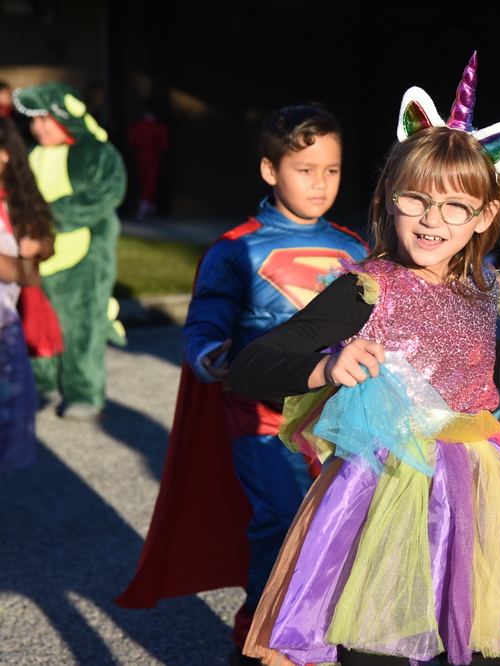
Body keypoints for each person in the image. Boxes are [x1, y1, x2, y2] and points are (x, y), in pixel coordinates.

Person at [227, 53, 500, 666]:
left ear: (484, 215)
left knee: (478, 634)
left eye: (454, 207)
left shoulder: (483, 288)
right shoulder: (369, 287)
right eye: (415, 200)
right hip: (390, 486)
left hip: (478, 484)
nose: (432, 219)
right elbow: (254, 362)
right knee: (377, 635)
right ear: (389, 198)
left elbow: (480, 369)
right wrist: (325, 368)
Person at [114, 104, 370, 666]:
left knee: (343, 529)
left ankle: (322, 637)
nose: (320, 182)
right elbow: (205, 320)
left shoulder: (357, 249)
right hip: (259, 415)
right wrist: (208, 354)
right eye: (305, 169)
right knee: (281, 523)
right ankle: (257, 640)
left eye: (331, 169)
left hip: (338, 417)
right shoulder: (236, 248)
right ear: (269, 170)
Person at [13, 82, 127, 421]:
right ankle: (43, 382)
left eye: (46, 119)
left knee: (81, 326)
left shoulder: (97, 152)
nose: (38, 127)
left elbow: (104, 194)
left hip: (82, 255)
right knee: (36, 320)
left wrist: (44, 218)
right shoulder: (33, 153)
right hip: (36, 254)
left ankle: (84, 390)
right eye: (34, 121)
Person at [0, 116, 55, 472]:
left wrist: (39, 247)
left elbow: (47, 244)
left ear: (5, 155)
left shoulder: (18, 196)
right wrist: (25, 268)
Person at [127, 102, 170, 219]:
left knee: (144, 182)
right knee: (150, 183)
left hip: (140, 156)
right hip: (152, 158)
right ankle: (145, 207)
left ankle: (148, 207)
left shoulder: (138, 126)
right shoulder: (158, 127)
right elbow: (164, 144)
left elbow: (132, 140)